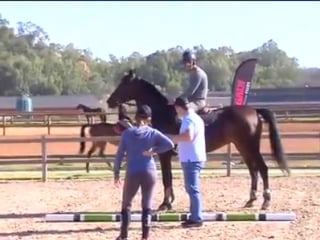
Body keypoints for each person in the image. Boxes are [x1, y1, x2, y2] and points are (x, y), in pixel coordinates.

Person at [114, 104, 175, 240]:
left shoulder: (127, 134)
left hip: (133, 171)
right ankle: (145, 236)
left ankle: (123, 236)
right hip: (149, 171)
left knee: (127, 204)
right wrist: (154, 151)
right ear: (149, 118)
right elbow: (169, 144)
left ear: (135, 117)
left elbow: (119, 154)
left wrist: (116, 173)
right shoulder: (153, 133)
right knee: (147, 204)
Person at [169, 97, 207, 228]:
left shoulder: (188, 119)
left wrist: (171, 138)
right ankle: (194, 215)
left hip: (191, 158)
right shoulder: (195, 117)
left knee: (192, 188)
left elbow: (188, 136)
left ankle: (196, 218)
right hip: (194, 157)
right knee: (192, 188)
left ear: (179, 107)